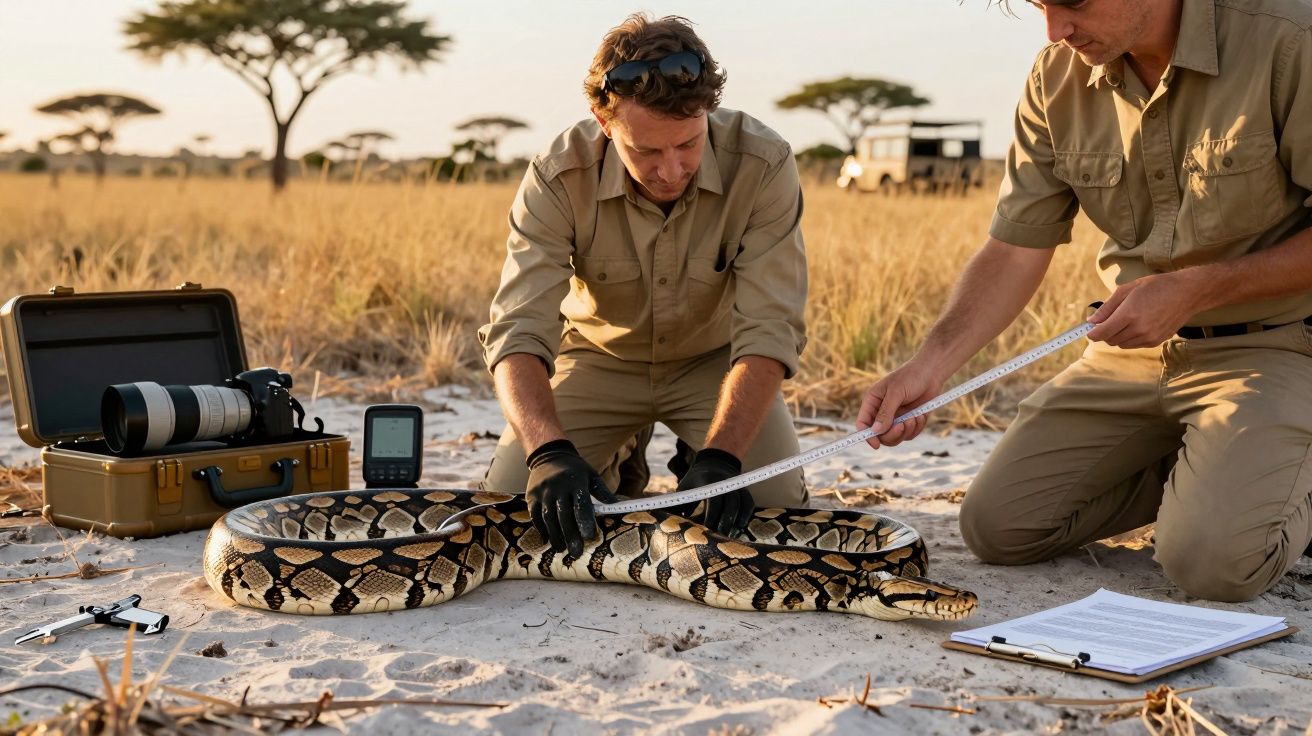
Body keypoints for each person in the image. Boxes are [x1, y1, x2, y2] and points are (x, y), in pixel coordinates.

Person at [858, 0, 1312, 601]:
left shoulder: (1290, 38)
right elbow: (1015, 249)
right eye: (1040, 6)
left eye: (1073, 2)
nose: (1055, 31)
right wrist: (929, 367)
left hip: (1277, 345)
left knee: (1212, 565)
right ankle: (1223, 467)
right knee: (999, 528)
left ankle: (1269, 470)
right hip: (1128, 356)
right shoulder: (1054, 75)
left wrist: (1197, 288)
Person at [478, 13, 808, 557]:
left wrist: (722, 458)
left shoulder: (765, 163)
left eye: (688, 144)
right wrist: (546, 452)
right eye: (646, 151)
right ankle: (621, 450)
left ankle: (695, 449)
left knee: (774, 513)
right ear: (603, 123)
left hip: (716, 363)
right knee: (514, 506)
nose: (672, 170)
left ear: (708, 112)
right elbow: (517, 328)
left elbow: (770, 328)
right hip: (599, 357)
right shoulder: (556, 176)